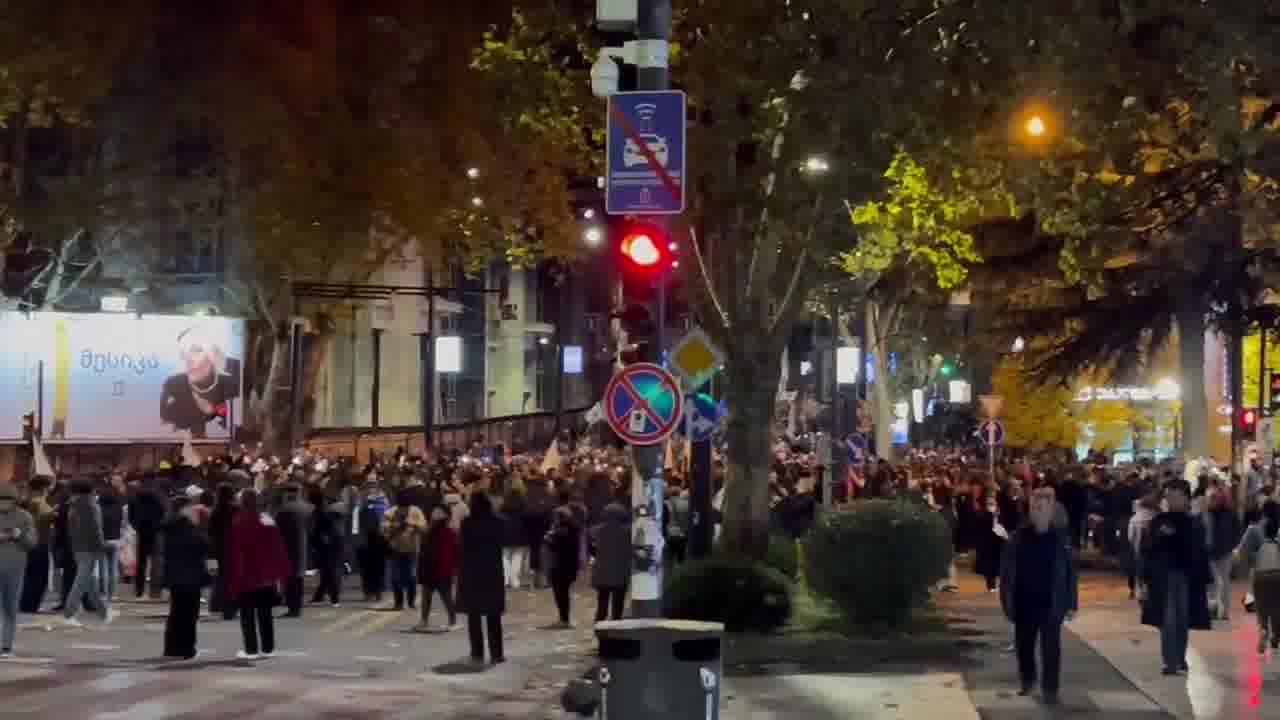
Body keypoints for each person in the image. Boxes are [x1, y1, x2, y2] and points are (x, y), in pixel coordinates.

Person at [999, 486, 1078, 706]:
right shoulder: (1018, 537)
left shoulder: (1061, 540)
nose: (1038, 512)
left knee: (1051, 648)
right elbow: (1006, 572)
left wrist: (1072, 603)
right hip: (1024, 600)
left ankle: (1050, 688)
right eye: (1034, 507)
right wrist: (1006, 600)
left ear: (1051, 510)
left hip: (1052, 602)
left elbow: (1071, 574)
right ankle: (1028, 680)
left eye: (1042, 508)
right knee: (1024, 645)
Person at [1141, 479, 1212, 676]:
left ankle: (1179, 659)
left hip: (1186, 577)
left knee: (1182, 619)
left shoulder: (1193, 523)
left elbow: (1198, 551)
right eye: (1169, 496)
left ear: (1186, 498)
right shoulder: (1158, 522)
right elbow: (1148, 549)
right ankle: (1170, 661)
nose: (1172, 500)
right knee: (1168, 620)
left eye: (1176, 496)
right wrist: (1145, 578)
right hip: (1164, 577)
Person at [226, 489, 290, 661]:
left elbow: (235, 552)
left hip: (246, 575)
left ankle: (251, 649)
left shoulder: (238, 521)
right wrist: (280, 574)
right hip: (266, 576)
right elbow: (278, 549)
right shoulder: (267, 520)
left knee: (247, 615)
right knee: (265, 614)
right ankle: (268, 648)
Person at [457, 492, 506, 664]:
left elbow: (462, 544)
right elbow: (503, 541)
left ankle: (477, 653)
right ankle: (497, 653)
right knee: (493, 614)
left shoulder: (467, 523)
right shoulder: (498, 522)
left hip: (472, 569)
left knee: (474, 613)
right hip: (492, 569)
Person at [161, 504, 211, 660]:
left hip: (175, 578)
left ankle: (171, 648)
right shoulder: (194, 533)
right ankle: (187, 648)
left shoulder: (170, 531)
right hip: (192, 579)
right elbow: (206, 547)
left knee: (175, 613)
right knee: (189, 616)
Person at [63, 479, 113, 627]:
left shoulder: (71, 505)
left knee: (88, 581)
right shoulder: (92, 506)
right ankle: (69, 613)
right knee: (81, 580)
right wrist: (101, 545)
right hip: (90, 547)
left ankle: (103, 612)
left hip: (77, 546)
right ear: (91, 490)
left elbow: (71, 529)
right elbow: (96, 528)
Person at [0, 484, 35, 657]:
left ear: (14, 501)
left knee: (10, 606)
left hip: (15, 568)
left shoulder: (25, 517)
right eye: (1, 500)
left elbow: (32, 543)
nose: (4, 504)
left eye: (7, 500)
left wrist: (18, 534)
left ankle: (6, 645)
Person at [416, 505, 459, 632]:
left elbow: (455, 552)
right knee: (435, 597)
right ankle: (428, 621)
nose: (435, 515)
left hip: (436, 569)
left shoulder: (442, 532)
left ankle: (448, 621)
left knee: (437, 597)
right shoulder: (442, 531)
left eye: (438, 513)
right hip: (436, 569)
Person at [382, 490, 427, 611]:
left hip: (412, 549)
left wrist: (413, 525)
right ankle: (399, 603)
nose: (404, 510)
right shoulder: (390, 513)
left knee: (412, 576)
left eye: (406, 507)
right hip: (395, 549)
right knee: (396, 577)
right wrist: (396, 527)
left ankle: (411, 602)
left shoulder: (416, 511)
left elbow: (424, 527)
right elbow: (384, 531)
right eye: (402, 507)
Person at [273, 485, 313, 618]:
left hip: (287, 548)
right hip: (303, 546)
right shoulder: (308, 508)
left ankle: (292, 607)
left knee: (290, 579)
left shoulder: (284, 509)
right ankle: (297, 606)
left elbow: (276, 529)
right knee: (299, 578)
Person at [590, 502, 631, 623]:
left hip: (602, 571)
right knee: (618, 604)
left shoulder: (596, 530)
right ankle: (616, 625)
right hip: (620, 571)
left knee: (602, 602)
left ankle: (600, 624)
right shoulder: (628, 532)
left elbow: (592, 546)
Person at [1249, 502, 1280, 654]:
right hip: (1278, 574)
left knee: (1262, 607)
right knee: (1277, 608)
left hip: (1260, 574)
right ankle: (1275, 636)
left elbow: (1244, 552)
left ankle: (1263, 630)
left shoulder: (1254, 529)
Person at [19, 479, 54, 614]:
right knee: (39, 577)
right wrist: (54, 513)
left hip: (26, 543)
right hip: (40, 543)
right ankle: (30, 605)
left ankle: (25, 604)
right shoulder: (38, 501)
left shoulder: (24, 501)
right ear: (43, 488)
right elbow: (45, 516)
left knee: (28, 574)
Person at [1205, 487, 1238, 621]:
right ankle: (1218, 610)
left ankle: (1220, 611)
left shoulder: (1226, 514)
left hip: (1221, 551)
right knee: (1219, 582)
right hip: (1217, 551)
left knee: (1219, 582)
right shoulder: (1212, 513)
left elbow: (1236, 532)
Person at [545, 506, 581, 628]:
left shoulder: (560, 531)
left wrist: (548, 537)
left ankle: (564, 619)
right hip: (570, 566)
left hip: (559, 567)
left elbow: (552, 546)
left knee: (561, 595)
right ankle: (564, 619)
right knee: (564, 594)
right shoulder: (574, 529)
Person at [309, 489, 346, 608]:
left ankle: (334, 598)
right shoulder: (326, 509)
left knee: (329, 571)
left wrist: (317, 543)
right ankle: (320, 596)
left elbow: (320, 530)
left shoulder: (321, 512)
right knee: (326, 572)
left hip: (327, 545)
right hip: (332, 543)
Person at [208, 483, 238, 620]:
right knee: (233, 578)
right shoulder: (236, 509)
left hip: (219, 548)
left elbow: (211, 532)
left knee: (220, 578)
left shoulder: (216, 511)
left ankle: (217, 604)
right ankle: (231, 607)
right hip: (234, 547)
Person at [97, 482, 125, 603]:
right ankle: (113, 594)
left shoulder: (98, 509)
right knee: (113, 568)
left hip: (102, 540)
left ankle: (104, 592)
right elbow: (123, 524)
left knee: (103, 568)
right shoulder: (119, 508)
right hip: (116, 540)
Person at [975, 493, 1008, 592]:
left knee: (999, 565)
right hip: (988, 545)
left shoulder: (1000, 514)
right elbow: (983, 528)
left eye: (993, 503)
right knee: (989, 567)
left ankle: (999, 585)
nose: (991, 505)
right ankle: (991, 586)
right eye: (989, 503)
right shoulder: (982, 515)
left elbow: (1002, 527)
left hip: (999, 544)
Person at [501, 483, 529, 590]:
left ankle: (505, 579)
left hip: (506, 531)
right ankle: (515, 580)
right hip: (520, 531)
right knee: (518, 556)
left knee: (505, 556)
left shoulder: (505, 504)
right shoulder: (523, 504)